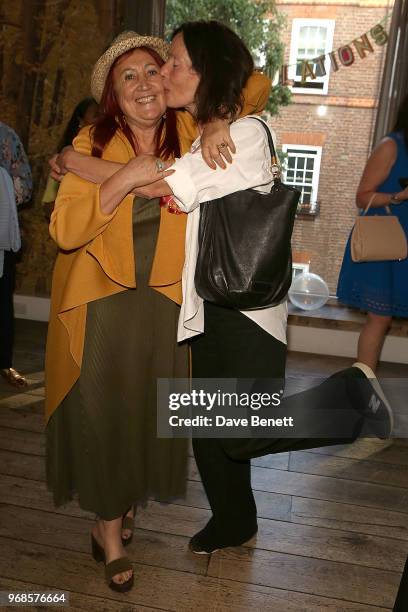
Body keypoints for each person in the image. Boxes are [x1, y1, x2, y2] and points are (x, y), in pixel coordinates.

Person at [45, 30, 271, 592]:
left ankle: (118, 511)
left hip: (167, 302)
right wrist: (113, 174)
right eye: (130, 76)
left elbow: (257, 85)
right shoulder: (90, 142)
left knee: (143, 417)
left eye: (155, 69)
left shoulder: (193, 132)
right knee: (101, 415)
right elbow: (65, 230)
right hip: (100, 301)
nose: (146, 82)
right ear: (112, 95)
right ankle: (111, 534)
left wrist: (220, 118)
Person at [337, 95, 408, 371]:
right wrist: (398, 196)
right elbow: (362, 196)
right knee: (380, 319)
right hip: (385, 242)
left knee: (382, 319)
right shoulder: (391, 146)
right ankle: (364, 388)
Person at [0, 121, 32, 388]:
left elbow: (24, 188)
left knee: (1, 299)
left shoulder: (6, 135)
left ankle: (4, 363)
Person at [42, 98, 99, 219]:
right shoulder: (66, 158)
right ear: (80, 120)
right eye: (96, 115)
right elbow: (48, 205)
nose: (100, 120)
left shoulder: (112, 153)